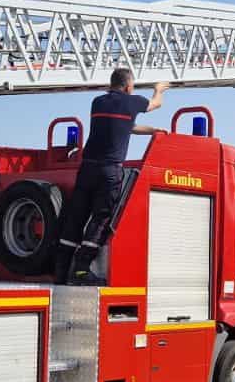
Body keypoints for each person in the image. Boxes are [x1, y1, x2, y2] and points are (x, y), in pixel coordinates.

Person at [54, 68, 169, 284]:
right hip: (109, 171)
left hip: (87, 169)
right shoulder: (133, 101)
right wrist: (159, 90)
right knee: (101, 218)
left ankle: (60, 272)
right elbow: (156, 104)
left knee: (76, 217)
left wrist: (153, 130)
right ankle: (81, 270)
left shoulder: (98, 103)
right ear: (128, 86)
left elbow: (125, 126)